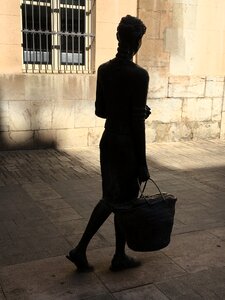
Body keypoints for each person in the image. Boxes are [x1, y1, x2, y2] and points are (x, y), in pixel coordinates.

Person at [66, 15, 150, 272]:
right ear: (137, 41)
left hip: (109, 140)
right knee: (121, 201)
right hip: (126, 146)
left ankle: (110, 254)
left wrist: (127, 110)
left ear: (117, 38)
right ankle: (104, 253)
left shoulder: (104, 70)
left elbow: (100, 111)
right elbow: (137, 123)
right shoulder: (139, 75)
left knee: (112, 199)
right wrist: (143, 162)